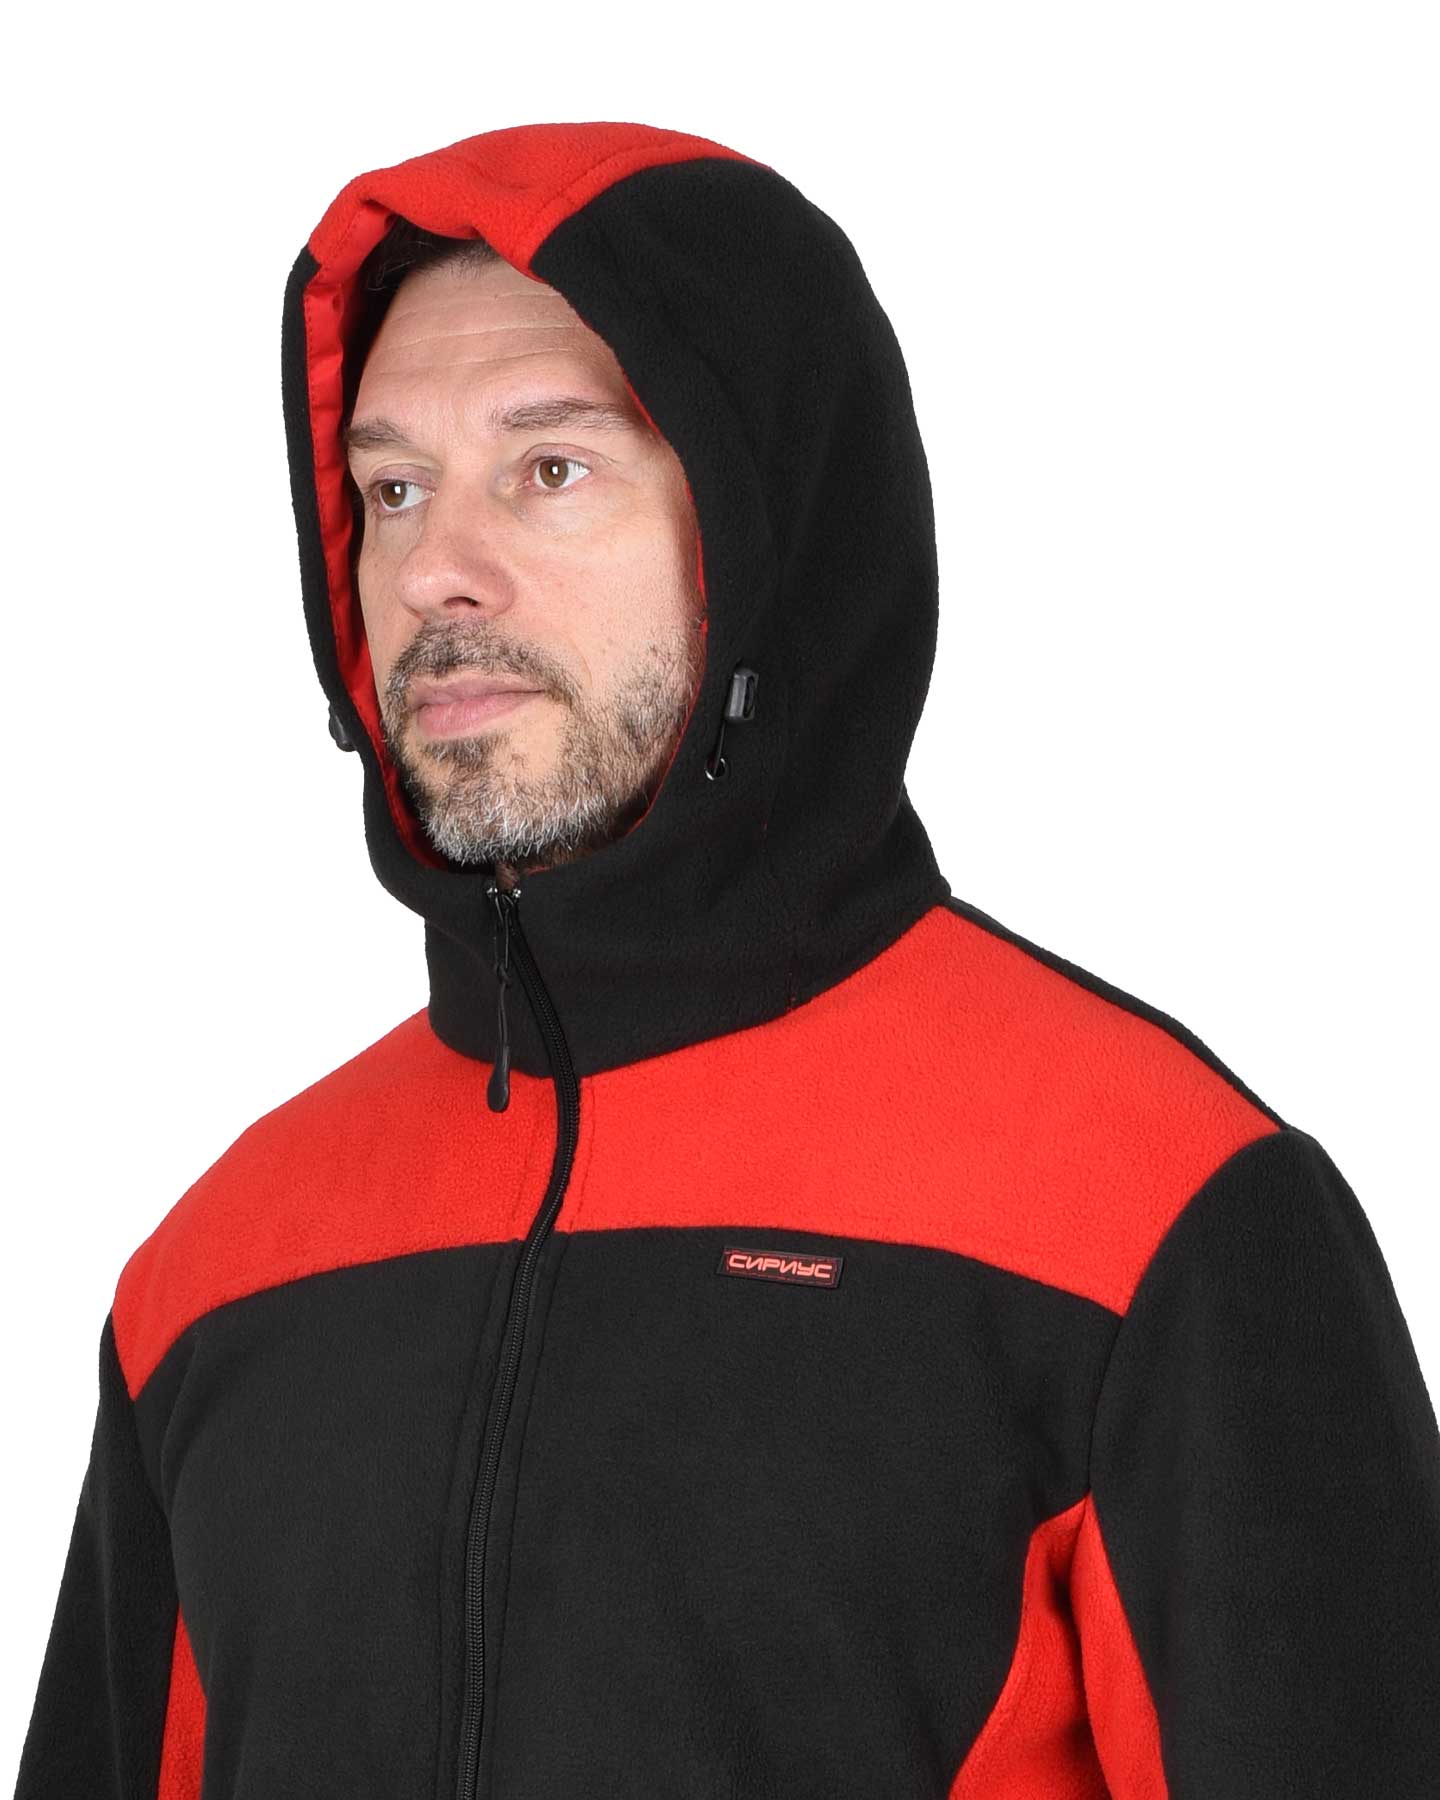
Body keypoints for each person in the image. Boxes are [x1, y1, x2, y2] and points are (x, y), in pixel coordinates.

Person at [15, 120, 1440, 1799]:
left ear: (768, 529)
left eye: (551, 468)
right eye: (391, 489)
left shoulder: (1157, 1214)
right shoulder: (216, 1272)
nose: (437, 570)